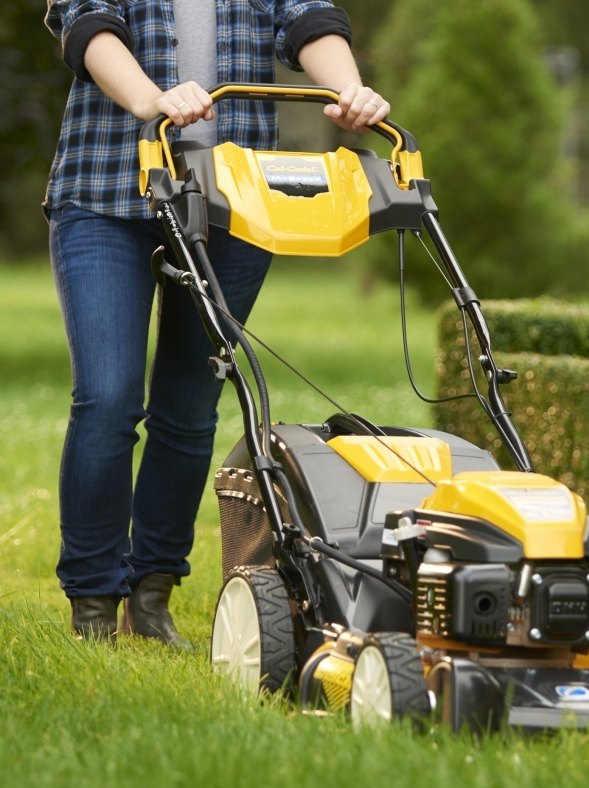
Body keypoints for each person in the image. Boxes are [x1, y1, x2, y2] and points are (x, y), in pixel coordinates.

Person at [44, 0, 390, 645]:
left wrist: (349, 92)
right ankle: (92, 603)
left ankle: (151, 596)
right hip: (106, 193)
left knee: (189, 404)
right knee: (108, 398)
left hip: (233, 201)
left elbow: (309, 17)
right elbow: (88, 24)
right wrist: (152, 101)